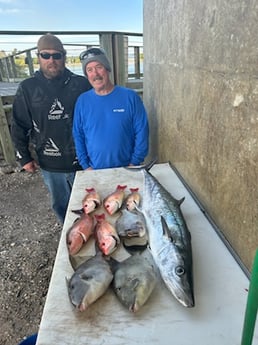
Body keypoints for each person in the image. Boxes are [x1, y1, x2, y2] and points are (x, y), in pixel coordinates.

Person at [11, 34, 92, 224]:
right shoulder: (27, 88)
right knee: (60, 204)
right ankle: (69, 236)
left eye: (57, 55)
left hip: (84, 161)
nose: (52, 60)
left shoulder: (81, 84)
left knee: (90, 203)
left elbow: (97, 118)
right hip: (50, 162)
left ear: (64, 57)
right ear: (37, 57)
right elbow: (19, 124)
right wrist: (24, 157)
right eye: (45, 55)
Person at [73, 47, 149, 170]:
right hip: (94, 170)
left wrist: (135, 162)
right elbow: (78, 134)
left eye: (99, 67)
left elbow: (142, 131)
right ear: (87, 75)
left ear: (107, 69)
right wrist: (85, 165)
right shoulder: (82, 101)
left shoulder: (130, 97)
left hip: (127, 167)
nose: (95, 74)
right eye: (90, 70)